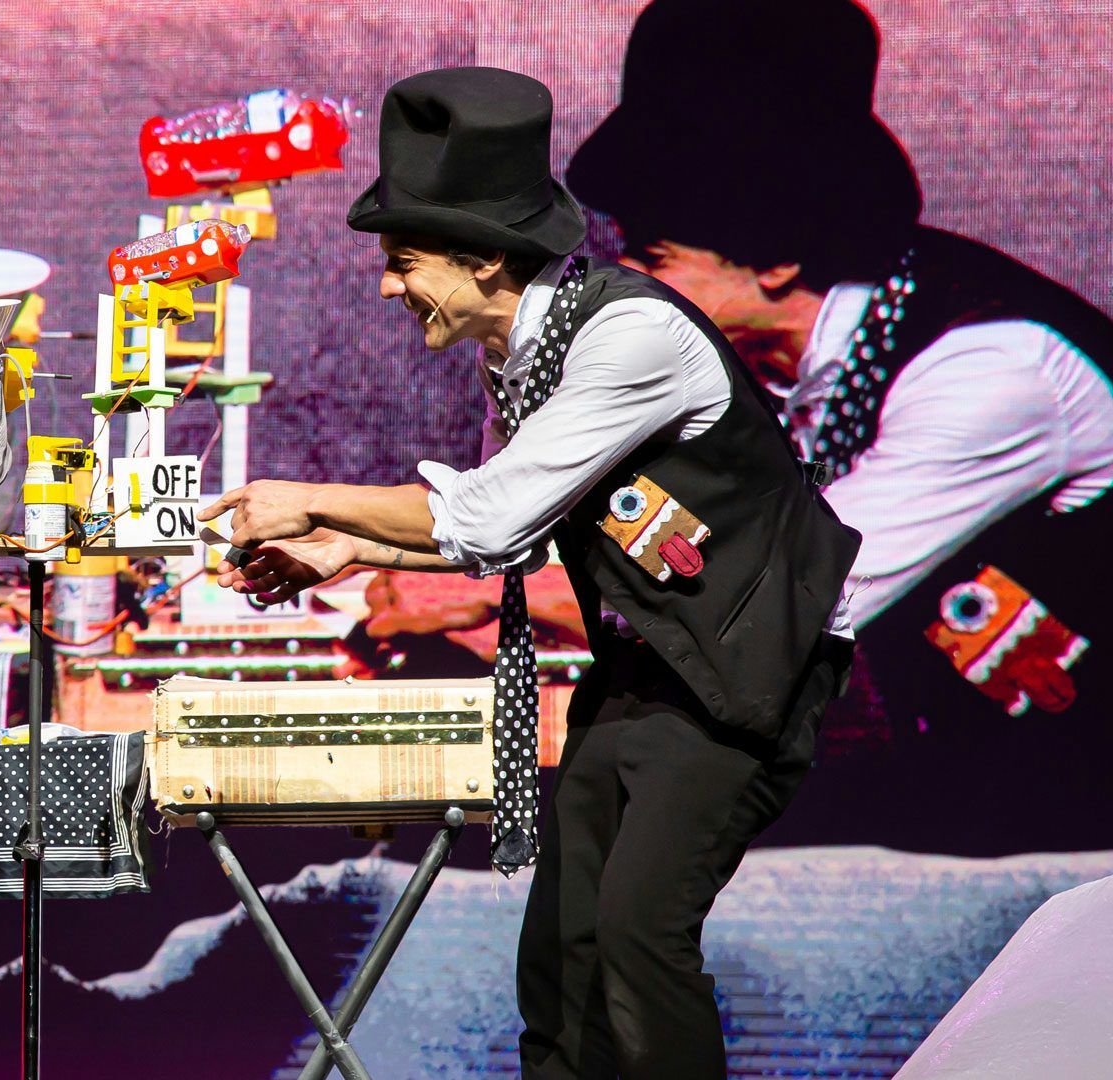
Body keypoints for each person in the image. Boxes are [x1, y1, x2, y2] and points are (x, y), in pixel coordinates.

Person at [203, 67, 859, 1080]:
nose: (386, 284)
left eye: (403, 260)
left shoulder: (630, 337)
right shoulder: (524, 345)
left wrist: (312, 498)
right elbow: (512, 527)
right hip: (651, 665)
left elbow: (495, 514)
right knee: (563, 949)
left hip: (745, 670)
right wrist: (352, 549)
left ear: (480, 258)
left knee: (640, 941)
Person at [566, 0, 1113, 851]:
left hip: (1060, 837)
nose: (622, 282)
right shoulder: (778, 354)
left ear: (777, 260)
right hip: (925, 784)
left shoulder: (993, 369)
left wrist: (493, 595)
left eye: (656, 259)